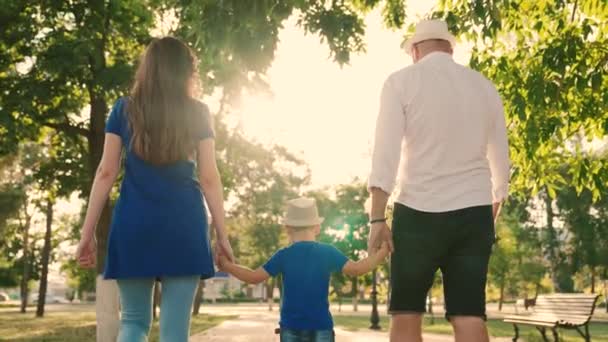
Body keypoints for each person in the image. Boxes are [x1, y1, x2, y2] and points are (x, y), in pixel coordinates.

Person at [75, 36, 233, 342]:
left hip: (135, 226)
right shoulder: (198, 112)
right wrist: (222, 236)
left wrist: (87, 232)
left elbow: (106, 172)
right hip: (185, 227)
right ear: (187, 72)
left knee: (133, 323)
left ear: (146, 70)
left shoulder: (124, 110)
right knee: (175, 333)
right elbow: (210, 177)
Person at [367, 19, 510, 342]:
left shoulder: (400, 82)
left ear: (415, 50)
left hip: (418, 212)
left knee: (405, 314)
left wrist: (377, 217)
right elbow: (501, 164)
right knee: (469, 315)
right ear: (450, 47)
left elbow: (385, 154)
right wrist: (487, 218)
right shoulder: (484, 86)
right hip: (474, 212)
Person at [217, 197, 389, 342]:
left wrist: (227, 266)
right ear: (317, 227)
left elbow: (254, 277)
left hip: (291, 328)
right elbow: (357, 269)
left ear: (288, 229)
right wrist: (381, 254)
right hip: (321, 327)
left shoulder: (283, 255)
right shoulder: (328, 252)